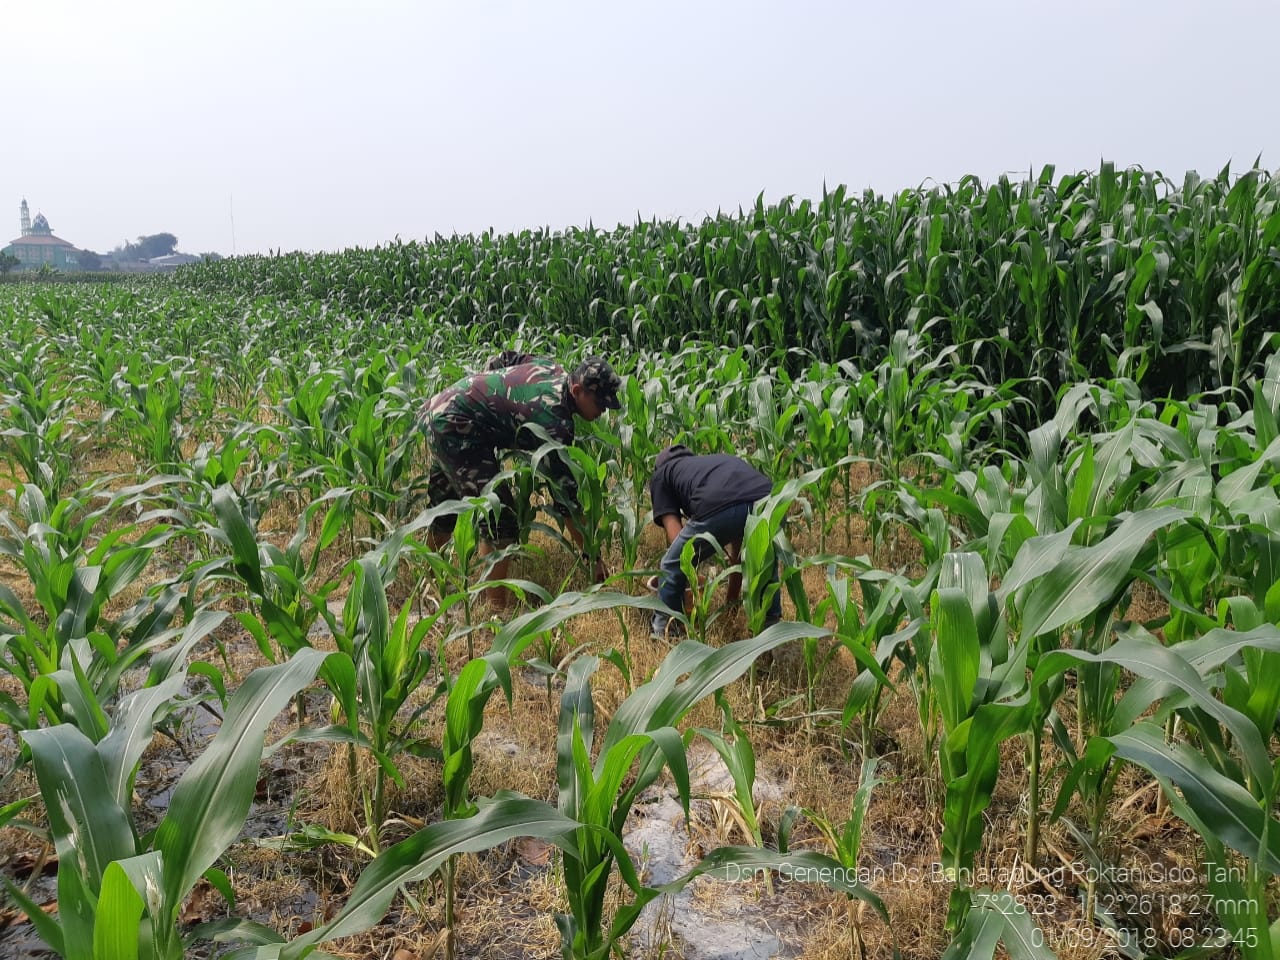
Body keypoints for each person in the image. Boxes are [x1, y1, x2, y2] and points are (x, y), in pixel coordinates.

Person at [416, 353, 622, 607]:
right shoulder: (554, 424)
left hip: (442, 407)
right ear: (577, 390)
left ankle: (424, 580)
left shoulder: (550, 368)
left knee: (444, 506)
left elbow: (501, 360)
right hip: (457, 427)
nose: (602, 411)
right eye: (600, 403)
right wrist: (592, 557)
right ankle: (495, 610)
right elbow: (566, 500)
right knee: (498, 517)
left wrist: (485, 398)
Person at [647, 444, 782, 639]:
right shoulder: (712, 465)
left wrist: (683, 585)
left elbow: (680, 549)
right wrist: (730, 606)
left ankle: (664, 632)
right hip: (770, 501)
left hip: (720, 504)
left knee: (670, 563)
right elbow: (738, 561)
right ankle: (771, 632)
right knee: (763, 566)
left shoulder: (662, 474)